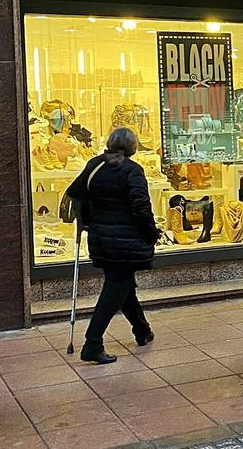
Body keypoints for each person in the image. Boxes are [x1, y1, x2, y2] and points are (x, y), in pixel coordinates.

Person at [66, 127, 159, 364]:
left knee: (123, 285)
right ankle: (92, 343)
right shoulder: (132, 171)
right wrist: (152, 233)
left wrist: (88, 220)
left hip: (101, 238)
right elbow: (141, 208)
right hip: (126, 242)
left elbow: (75, 192)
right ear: (132, 147)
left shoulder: (95, 165)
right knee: (116, 288)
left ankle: (142, 330)